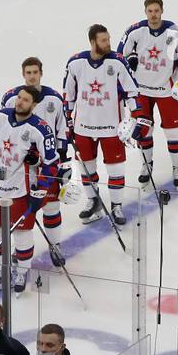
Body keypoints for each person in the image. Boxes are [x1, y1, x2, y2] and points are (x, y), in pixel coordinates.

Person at [0, 83, 60, 294]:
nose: (20, 102)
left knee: (21, 233)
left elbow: (52, 163)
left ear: (34, 104)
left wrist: (41, 190)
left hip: (21, 189)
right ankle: (2, 271)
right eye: (19, 98)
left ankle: (21, 271)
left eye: (26, 100)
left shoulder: (41, 129)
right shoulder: (0, 117)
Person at [63, 24, 141, 226]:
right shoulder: (76, 63)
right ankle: (93, 201)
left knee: (116, 169)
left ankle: (116, 205)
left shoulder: (117, 61)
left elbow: (132, 91)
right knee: (87, 168)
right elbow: (68, 96)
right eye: (103, 40)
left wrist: (138, 117)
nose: (108, 43)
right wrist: (68, 122)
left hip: (111, 127)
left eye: (108, 39)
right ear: (92, 42)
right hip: (83, 127)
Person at [119, 0, 178, 187]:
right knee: (144, 131)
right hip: (141, 91)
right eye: (150, 11)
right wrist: (131, 61)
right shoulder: (135, 31)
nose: (153, 15)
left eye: (156, 11)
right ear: (145, 12)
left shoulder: (174, 32)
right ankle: (147, 164)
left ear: (162, 10)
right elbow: (120, 57)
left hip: (166, 91)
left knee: (174, 132)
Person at [0, 58, 69, 259]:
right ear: (23, 74)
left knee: (51, 206)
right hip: (18, 167)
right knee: (18, 209)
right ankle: (20, 248)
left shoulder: (54, 99)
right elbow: (3, 128)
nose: (32, 76)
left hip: (45, 165)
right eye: (28, 72)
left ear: (41, 73)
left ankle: (55, 246)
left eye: (35, 72)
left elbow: (62, 131)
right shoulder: (11, 98)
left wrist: (61, 162)